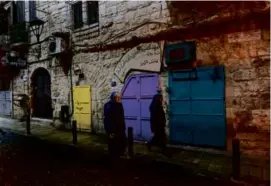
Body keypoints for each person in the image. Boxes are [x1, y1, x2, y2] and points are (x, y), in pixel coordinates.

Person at [104, 91, 127, 160]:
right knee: (112, 143)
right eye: (117, 97)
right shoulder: (108, 105)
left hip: (120, 128)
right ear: (113, 98)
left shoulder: (119, 105)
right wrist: (110, 130)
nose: (118, 99)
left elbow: (121, 117)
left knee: (123, 142)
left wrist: (123, 127)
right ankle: (112, 157)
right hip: (112, 128)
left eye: (119, 97)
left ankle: (120, 154)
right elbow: (107, 118)